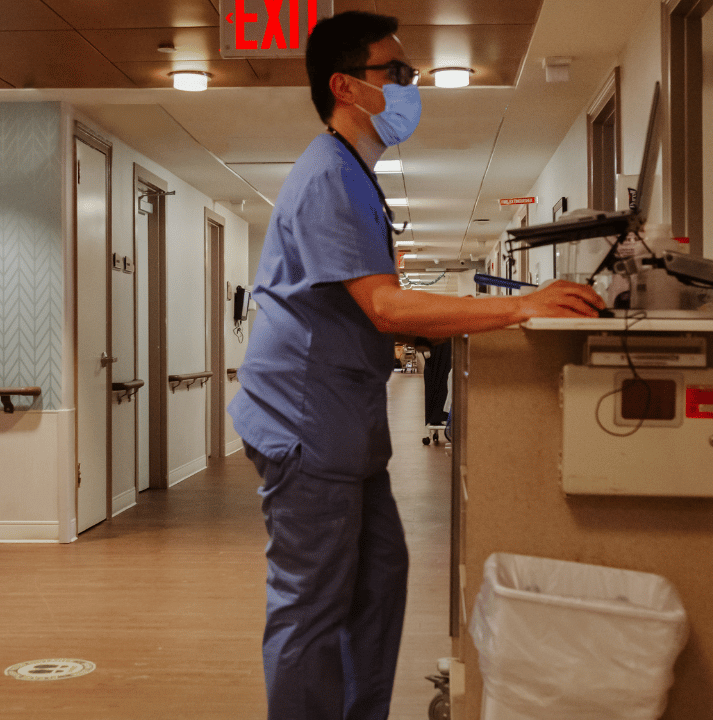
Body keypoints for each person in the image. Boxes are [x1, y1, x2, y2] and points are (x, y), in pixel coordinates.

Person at [227, 11, 606, 720]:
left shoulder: (354, 176)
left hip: (345, 426)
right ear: (346, 85)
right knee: (310, 608)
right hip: (307, 428)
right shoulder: (328, 178)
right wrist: (521, 309)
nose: (410, 87)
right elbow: (387, 309)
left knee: (378, 581)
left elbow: (381, 304)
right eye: (395, 74)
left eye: (411, 75)